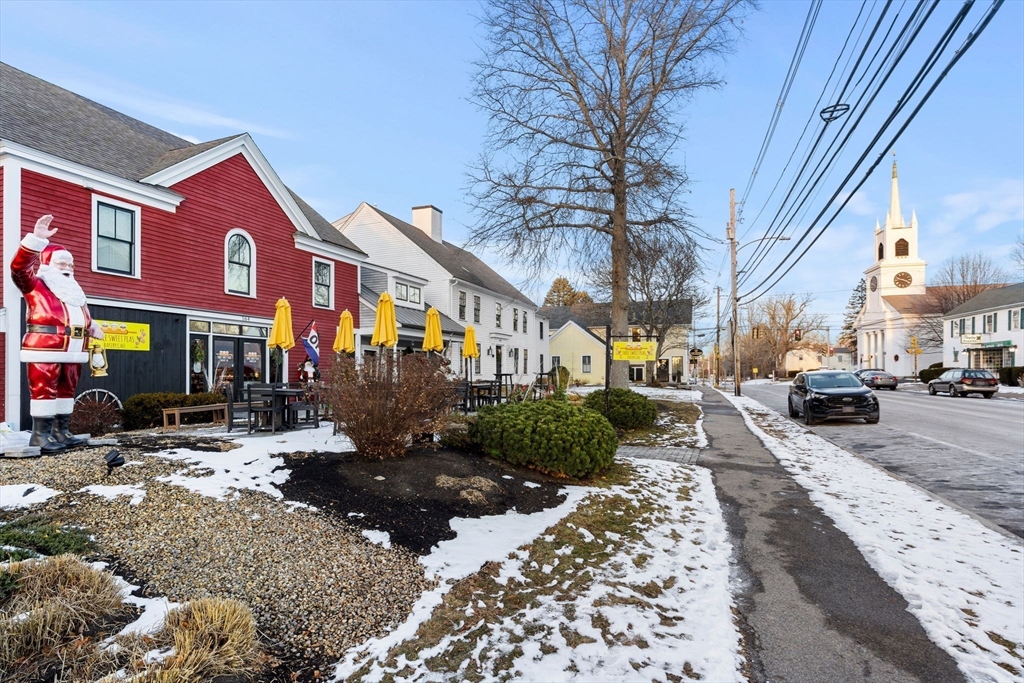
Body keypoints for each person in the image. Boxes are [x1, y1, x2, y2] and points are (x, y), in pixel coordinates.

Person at [11, 215, 104, 454]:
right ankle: (40, 436)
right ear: (48, 264)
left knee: (66, 389)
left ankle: (61, 432)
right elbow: (18, 268)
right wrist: (36, 240)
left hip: (73, 349)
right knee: (44, 389)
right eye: (62, 264)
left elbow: (77, 314)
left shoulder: (73, 290)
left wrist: (92, 325)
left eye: (70, 265)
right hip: (45, 347)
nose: (68, 269)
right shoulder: (35, 285)